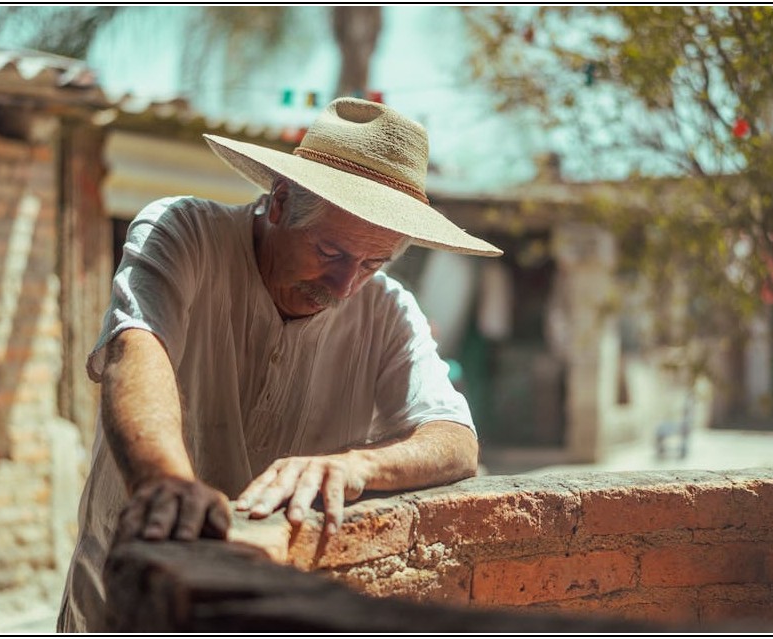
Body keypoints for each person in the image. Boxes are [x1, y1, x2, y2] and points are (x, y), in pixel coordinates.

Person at [57, 97, 502, 632]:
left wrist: (355, 465)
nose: (345, 286)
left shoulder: (387, 308)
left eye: (372, 262)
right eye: (331, 252)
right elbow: (137, 349)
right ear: (280, 202)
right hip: (127, 602)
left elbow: (455, 440)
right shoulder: (182, 233)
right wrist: (167, 484)